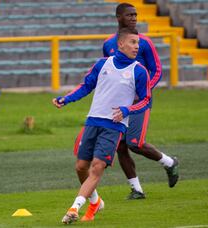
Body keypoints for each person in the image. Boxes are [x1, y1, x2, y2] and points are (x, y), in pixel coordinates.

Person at [53, 28, 151, 224]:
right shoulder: (102, 64)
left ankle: (74, 208)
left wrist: (127, 110)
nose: (137, 46)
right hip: (93, 121)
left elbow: (146, 100)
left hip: (114, 127)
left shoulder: (139, 71)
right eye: (133, 42)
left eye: (138, 43)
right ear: (120, 44)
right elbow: (86, 86)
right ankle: (95, 201)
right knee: (81, 167)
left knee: (97, 168)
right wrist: (67, 99)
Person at [102, 3, 179, 199]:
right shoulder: (108, 44)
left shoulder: (144, 42)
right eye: (130, 15)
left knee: (135, 143)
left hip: (139, 102)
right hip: (119, 104)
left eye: (136, 15)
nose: (134, 18)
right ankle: (137, 189)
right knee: (120, 145)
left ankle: (169, 163)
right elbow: (109, 72)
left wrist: (143, 91)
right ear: (119, 17)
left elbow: (157, 70)